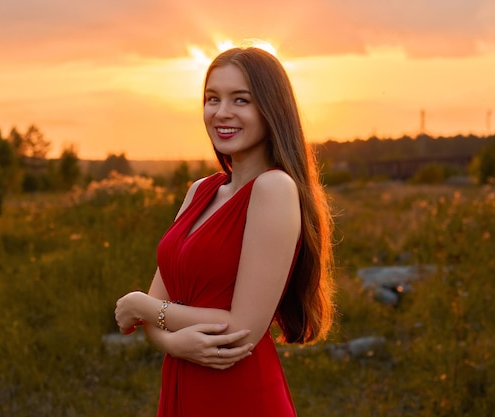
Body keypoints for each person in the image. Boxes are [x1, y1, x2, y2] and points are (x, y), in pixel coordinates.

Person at [115, 45, 335, 417]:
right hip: (184, 382)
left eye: (241, 100)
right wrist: (172, 344)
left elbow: (242, 329)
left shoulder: (274, 189)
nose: (221, 112)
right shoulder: (200, 190)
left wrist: (140, 305)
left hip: (238, 393)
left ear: (271, 110)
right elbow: (159, 310)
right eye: (212, 98)